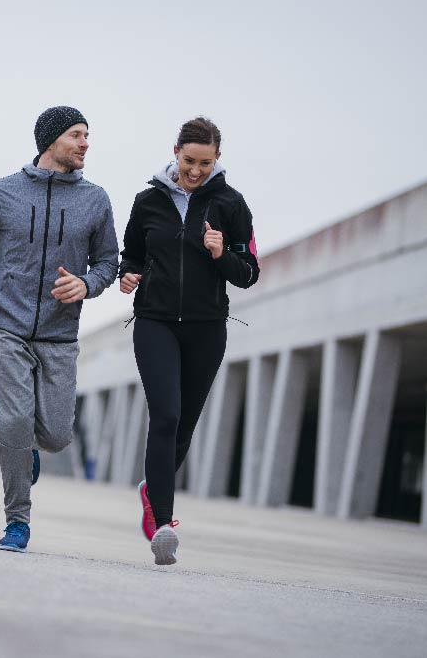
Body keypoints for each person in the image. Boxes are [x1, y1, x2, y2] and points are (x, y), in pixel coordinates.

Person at [0, 106, 119, 553]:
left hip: (60, 334)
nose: (85, 144)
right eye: (77, 135)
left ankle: (27, 455)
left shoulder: (95, 200)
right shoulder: (3, 192)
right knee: (14, 419)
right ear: (51, 140)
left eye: (87, 135)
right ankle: (17, 520)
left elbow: (107, 263)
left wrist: (86, 284)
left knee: (58, 435)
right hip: (7, 326)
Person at [118, 117, 260, 565]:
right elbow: (133, 253)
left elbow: (249, 272)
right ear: (175, 152)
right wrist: (128, 275)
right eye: (188, 161)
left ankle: (150, 489)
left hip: (206, 328)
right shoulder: (148, 201)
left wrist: (220, 255)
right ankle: (163, 521)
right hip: (155, 321)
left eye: (205, 162)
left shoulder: (232, 205)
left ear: (218, 159)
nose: (195, 171)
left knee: (183, 427)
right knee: (166, 414)